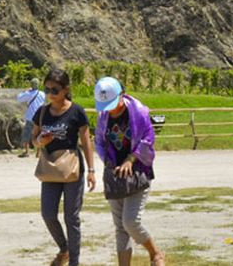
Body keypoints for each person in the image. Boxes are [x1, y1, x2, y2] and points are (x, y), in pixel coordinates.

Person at [94, 77, 165, 266]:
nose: (109, 109)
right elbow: (99, 142)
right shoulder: (102, 117)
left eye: (111, 103)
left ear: (122, 94)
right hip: (115, 176)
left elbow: (148, 138)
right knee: (120, 227)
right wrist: (110, 164)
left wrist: (130, 159)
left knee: (130, 222)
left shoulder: (139, 112)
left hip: (138, 174)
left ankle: (155, 253)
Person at [31, 69, 96, 266]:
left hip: (72, 169)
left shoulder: (77, 111)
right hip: (50, 168)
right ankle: (64, 248)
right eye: (47, 89)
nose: (51, 93)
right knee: (48, 214)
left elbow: (86, 142)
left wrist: (92, 171)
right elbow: (33, 140)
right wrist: (40, 141)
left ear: (66, 89)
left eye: (55, 89)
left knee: (71, 217)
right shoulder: (42, 112)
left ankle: (74, 262)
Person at [16, 78, 46, 157]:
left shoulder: (28, 93)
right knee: (39, 134)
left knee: (27, 134)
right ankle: (38, 153)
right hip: (40, 117)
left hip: (30, 117)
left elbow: (19, 98)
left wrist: (25, 91)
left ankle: (27, 152)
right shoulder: (42, 94)